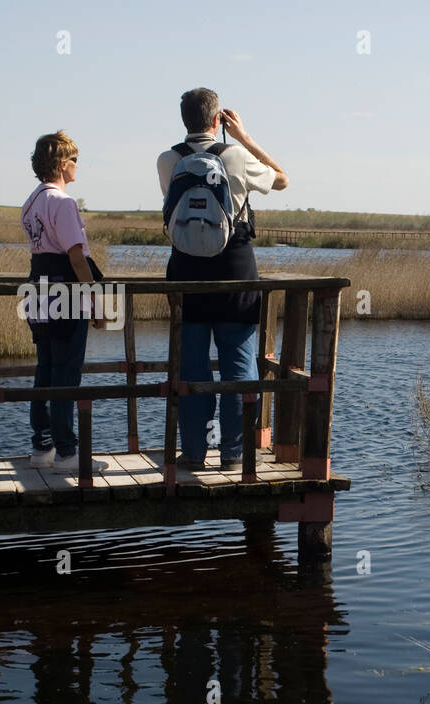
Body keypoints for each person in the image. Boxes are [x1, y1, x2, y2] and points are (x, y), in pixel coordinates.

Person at [156, 88, 289, 470]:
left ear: (184, 120)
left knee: (192, 366)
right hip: (234, 272)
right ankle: (234, 454)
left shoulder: (168, 160)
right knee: (239, 365)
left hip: (186, 273)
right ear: (218, 120)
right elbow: (281, 180)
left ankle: (194, 453)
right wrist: (245, 137)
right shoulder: (235, 155)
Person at [20, 131, 107, 474]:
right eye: (74, 160)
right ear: (60, 163)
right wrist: (97, 304)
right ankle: (68, 453)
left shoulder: (30, 202)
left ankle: (42, 447)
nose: (76, 166)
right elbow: (76, 258)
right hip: (65, 292)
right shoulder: (63, 203)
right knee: (67, 374)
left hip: (38, 289)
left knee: (45, 370)